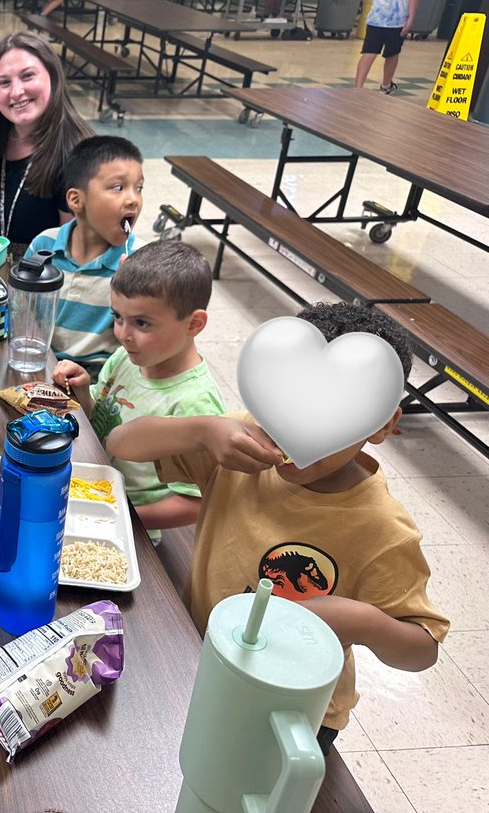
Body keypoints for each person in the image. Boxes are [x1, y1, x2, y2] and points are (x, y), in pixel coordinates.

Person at [104, 303, 450, 753]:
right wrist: (204, 430)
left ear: (382, 424)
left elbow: (421, 650)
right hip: (203, 658)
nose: (293, 432)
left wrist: (360, 619)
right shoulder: (242, 446)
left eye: (330, 416)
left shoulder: (383, 530)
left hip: (294, 710)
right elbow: (120, 443)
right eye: (285, 405)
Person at [52, 241, 225, 538]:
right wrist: (83, 391)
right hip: (94, 488)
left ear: (194, 324)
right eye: (118, 317)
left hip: (128, 528)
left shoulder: (195, 405)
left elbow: (194, 502)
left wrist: (121, 516)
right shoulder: (128, 357)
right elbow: (105, 417)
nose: (122, 334)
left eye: (141, 323)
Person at [0, 31, 93, 250]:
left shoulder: (77, 154)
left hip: (41, 269)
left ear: (52, 76)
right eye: (4, 82)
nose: (16, 92)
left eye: (28, 76)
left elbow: (69, 246)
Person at [23, 135, 139, 368]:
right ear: (76, 200)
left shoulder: (140, 261)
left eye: (139, 188)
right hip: (42, 368)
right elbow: (25, 310)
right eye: (118, 187)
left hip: (101, 385)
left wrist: (132, 294)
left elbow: (142, 343)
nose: (133, 199)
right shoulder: (43, 245)